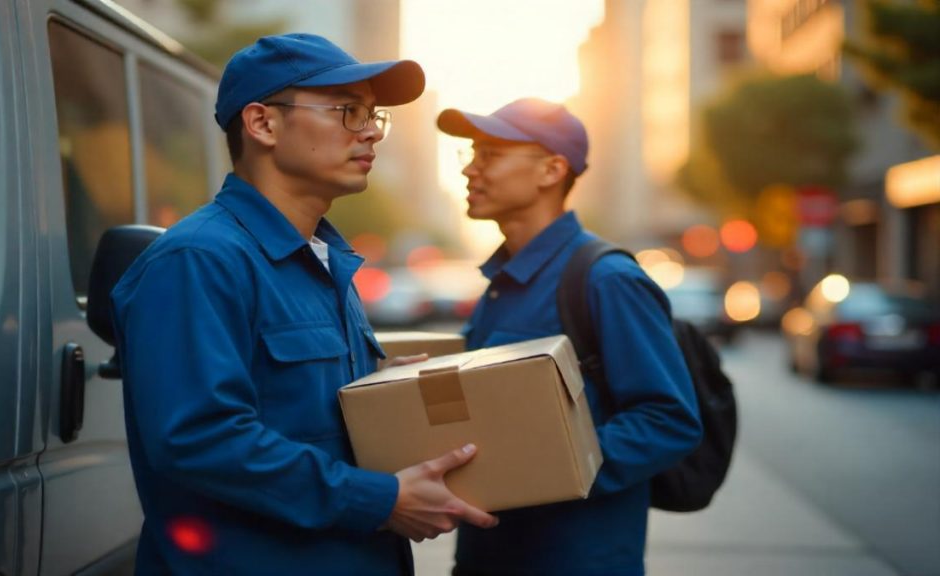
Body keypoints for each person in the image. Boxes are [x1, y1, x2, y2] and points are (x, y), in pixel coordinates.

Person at [110, 34, 498, 576]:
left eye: (373, 115)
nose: (369, 131)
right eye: (347, 110)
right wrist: (380, 500)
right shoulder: (198, 260)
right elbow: (199, 439)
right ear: (262, 123)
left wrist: (378, 382)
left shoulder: (322, 259)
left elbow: (291, 405)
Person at [436, 98, 703, 576]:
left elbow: (668, 420)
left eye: (490, 155)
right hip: (488, 557)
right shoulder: (503, 282)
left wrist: (544, 470)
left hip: (575, 558)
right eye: (469, 155)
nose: (470, 171)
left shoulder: (606, 278)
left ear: (551, 170)